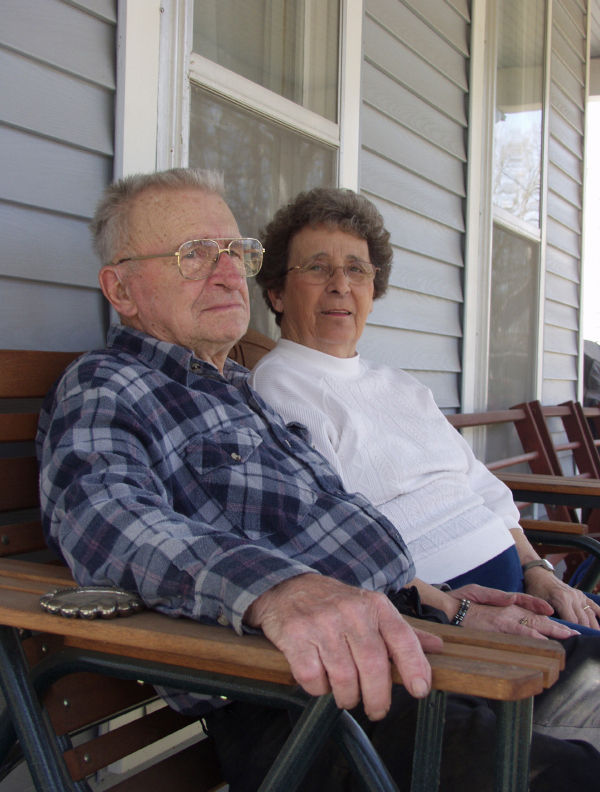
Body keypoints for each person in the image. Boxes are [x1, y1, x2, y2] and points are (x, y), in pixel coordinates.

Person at [36, 169, 600, 791]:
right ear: (122, 289)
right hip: (303, 699)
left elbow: (329, 534)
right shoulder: (107, 386)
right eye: (194, 255)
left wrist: (444, 604)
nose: (227, 273)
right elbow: (104, 518)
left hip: (412, 639)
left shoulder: (241, 395)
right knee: (571, 777)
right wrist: (280, 590)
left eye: (235, 253)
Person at [250, 187, 600, 639]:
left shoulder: (400, 385)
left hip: (523, 590)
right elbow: (332, 540)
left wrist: (539, 571)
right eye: (318, 268)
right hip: (447, 621)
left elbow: (479, 487)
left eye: (357, 269)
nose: (341, 284)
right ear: (276, 293)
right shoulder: (281, 388)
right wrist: (447, 608)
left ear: (373, 292)